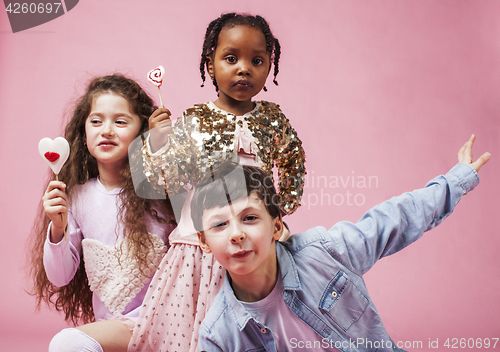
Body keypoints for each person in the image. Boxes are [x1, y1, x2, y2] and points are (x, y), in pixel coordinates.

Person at [192, 135, 490, 352]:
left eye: (250, 218)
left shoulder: (324, 251)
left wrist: (455, 181)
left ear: (277, 226)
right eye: (220, 224)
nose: (236, 234)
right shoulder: (218, 335)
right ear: (204, 241)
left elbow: (392, 220)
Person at [129, 13, 306, 352]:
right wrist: (158, 143)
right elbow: (167, 181)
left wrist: (279, 210)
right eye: (230, 58)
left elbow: (293, 160)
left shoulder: (272, 120)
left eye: (257, 60)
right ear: (210, 65)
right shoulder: (195, 119)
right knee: (195, 334)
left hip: (255, 247)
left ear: (270, 66)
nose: (244, 68)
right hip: (201, 250)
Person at [27, 74, 176, 352]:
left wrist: (159, 148)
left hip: (164, 324)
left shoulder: (162, 188)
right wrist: (57, 229)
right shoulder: (77, 197)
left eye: (120, 121)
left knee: (65, 343)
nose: (106, 130)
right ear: (83, 134)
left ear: (141, 131)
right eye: (96, 121)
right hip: (112, 332)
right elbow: (60, 277)